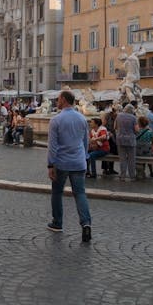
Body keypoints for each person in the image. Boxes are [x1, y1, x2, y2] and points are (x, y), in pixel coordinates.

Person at [46, 90, 92, 242]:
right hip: (79, 161)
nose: (56, 102)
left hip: (61, 162)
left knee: (57, 193)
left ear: (64, 100)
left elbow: (52, 146)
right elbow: (85, 142)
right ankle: (86, 224)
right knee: (80, 193)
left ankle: (57, 223)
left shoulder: (56, 120)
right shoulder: (82, 119)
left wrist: (50, 165)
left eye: (58, 99)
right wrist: (84, 157)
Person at [115, 105, 138, 181]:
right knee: (131, 159)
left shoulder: (118, 116)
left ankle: (122, 176)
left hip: (120, 139)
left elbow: (114, 127)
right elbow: (136, 130)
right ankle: (132, 176)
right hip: (130, 139)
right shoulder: (133, 118)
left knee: (122, 159)